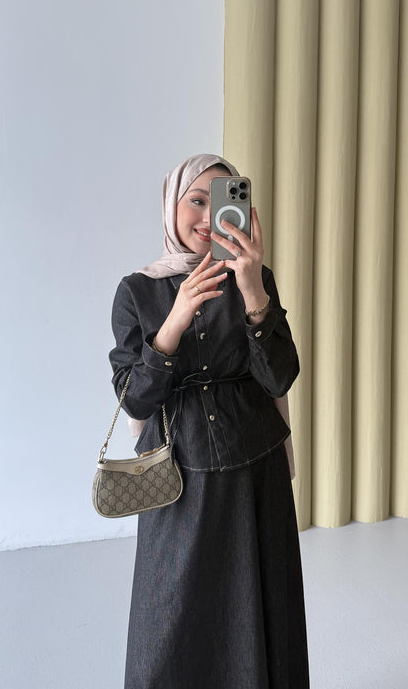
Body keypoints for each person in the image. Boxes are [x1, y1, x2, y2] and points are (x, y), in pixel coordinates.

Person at [109, 153, 309, 689]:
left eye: (220, 204)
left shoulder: (255, 277)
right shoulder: (138, 291)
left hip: (255, 467)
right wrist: (174, 322)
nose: (206, 218)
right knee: (170, 610)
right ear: (170, 205)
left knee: (261, 603)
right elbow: (134, 399)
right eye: (195, 201)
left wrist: (253, 291)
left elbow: (280, 377)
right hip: (177, 473)